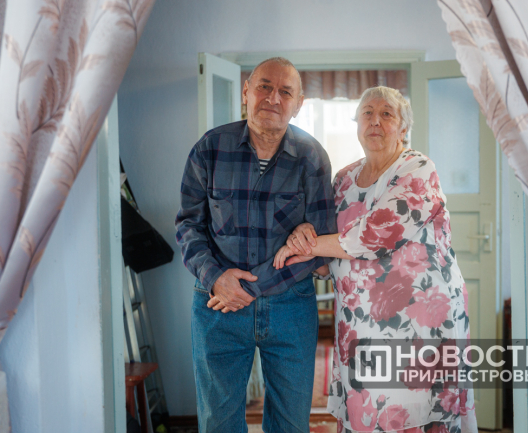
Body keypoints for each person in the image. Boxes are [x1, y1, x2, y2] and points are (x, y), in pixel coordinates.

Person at [274, 86, 478, 433]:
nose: (375, 121)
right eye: (367, 113)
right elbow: (328, 239)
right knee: (368, 412)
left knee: (415, 411)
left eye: (387, 114)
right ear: (356, 124)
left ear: (403, 127)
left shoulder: (418, 167)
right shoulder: (343, 179)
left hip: (418, 321)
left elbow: (376, 234)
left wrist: (307, 247)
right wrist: (306, 237)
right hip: (360, 324)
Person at [175, 57, 336, 433]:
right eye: (264, 86)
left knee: (290, 423)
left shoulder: (311, 156)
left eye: (285, 92)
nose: (273, 98)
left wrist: (248, 287)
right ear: (246, 91)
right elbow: (188, 226)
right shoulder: (210, 148)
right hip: (217, 305)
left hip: (290, 306)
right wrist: (216, 278)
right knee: (218, 423)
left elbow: (319, 243)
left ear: (298, 103)